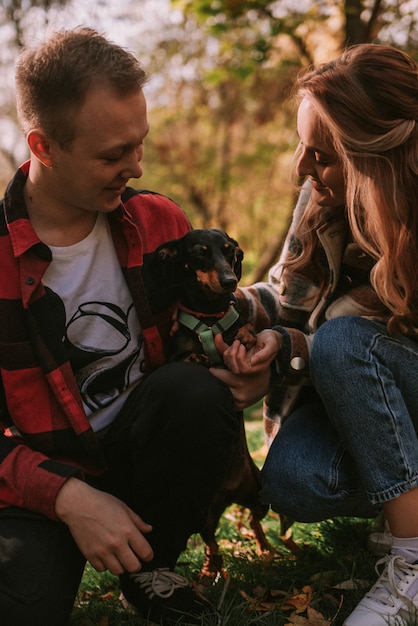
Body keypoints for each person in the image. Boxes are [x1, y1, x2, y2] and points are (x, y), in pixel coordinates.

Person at [0, 27, 241, 626]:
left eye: (140, 144)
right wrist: (67, 497)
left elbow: (204, 321)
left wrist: (244, 357)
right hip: (44, 481)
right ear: (44, 146)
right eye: (112, 155)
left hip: (142, 454)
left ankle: (153, 567)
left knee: (194, 394)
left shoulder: (160, 222)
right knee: (22, 606)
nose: (136, 167)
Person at [212, 44, 418, 626]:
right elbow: (291, 298)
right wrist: (236, 313)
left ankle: (413, 560)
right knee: (297, 481)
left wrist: (313, 347)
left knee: (345, 342)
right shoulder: (324, 199)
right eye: (301, 145)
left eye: (321, 155)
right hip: (380, 391)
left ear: (376, 160)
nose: (300, 168)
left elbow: (353, 344)